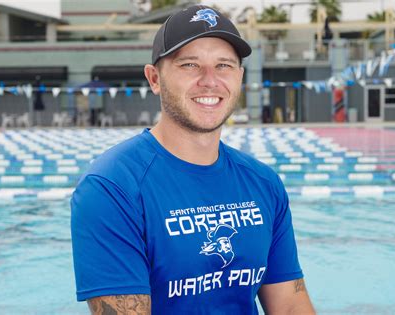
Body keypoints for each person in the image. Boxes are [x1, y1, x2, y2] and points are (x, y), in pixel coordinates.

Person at [71, 5, 315, 315]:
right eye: (189, 65)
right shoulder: (111, 188)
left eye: (224, 65)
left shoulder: (263, 182)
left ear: (240, 77)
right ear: (154, 78)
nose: (210, 80)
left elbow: (291, 305)